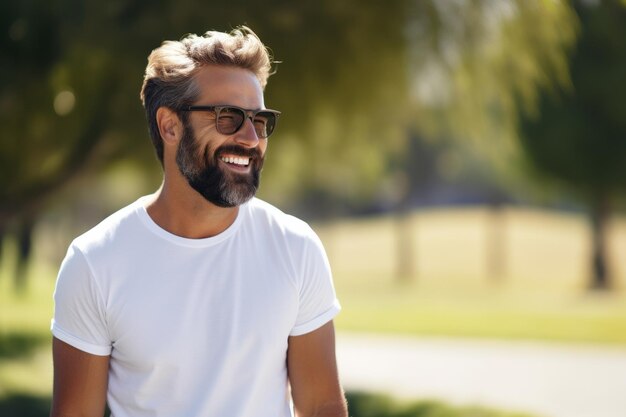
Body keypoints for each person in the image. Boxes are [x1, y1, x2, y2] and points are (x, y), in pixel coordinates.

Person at [50, 26, 347, 417]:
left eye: (259, 121)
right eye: (228, 117)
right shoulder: (94, 262)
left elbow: (322, 405)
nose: (250, 138)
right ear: (170, 126)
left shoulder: (295, 248)